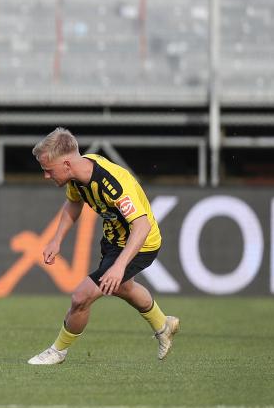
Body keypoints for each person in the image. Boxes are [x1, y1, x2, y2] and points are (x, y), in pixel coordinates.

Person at [27, 127, 179, 365]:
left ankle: (58, 351)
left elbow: (142, 226)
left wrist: (119, 267)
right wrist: (56, 240)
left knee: (81, 297)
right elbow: (73, 204)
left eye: (48, 170)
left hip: (141, 243)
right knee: (123, 288)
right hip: (112, 241)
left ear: (66, 164)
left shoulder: (111, 182)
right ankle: (164, 325)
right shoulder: (76, 175)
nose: (46, 176)